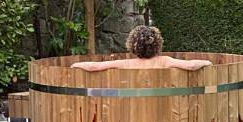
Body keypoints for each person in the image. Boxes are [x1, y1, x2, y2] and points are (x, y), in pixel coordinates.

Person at [71, 25, 212, 72]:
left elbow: (94, 67)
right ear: (157, 44)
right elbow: (192, 65)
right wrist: (208, 63)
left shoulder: (126, 64)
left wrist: (75, 65)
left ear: (133, 45)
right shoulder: (164, 61)